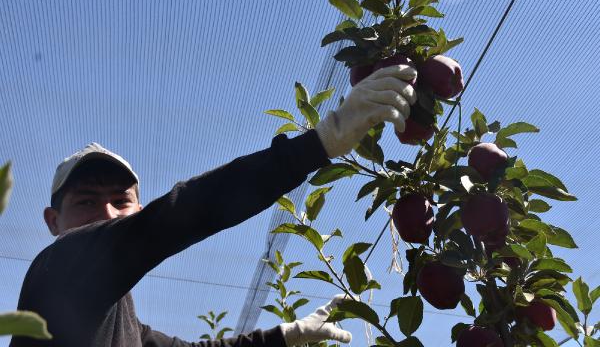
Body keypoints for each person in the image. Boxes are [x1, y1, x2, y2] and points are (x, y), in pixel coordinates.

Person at [10, 64, 417, 347]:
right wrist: (319, 144)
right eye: (86, 201)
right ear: (53, 221)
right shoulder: (55, 270)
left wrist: (285, 335)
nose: (108, 214)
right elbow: (178, 215)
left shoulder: (126, 327)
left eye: (122, 202)